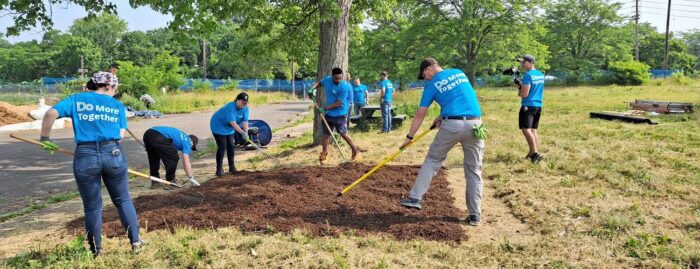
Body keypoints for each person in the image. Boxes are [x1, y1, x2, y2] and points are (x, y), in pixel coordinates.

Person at [38, 71, 143, 255]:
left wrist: (45, 137)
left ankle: (96, 251)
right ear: (108, 86)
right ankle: (136, 242)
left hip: (85, 155)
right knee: (123, 199)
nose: (115, 93)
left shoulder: (76, 99)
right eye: (115, 89)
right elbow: (121, 135)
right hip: (113, 152)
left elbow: (51, 113)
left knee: (92, 206)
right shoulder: (117, 105)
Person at [399, 58, 485, 226]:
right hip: (475, 124)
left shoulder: (431, 86)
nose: (425, 78)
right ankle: (475, 215)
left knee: (433, 160)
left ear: (430, 68)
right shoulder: (459, 73)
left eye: (424, 74)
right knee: (474, 170)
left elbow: (421, 113)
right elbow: (459, 97)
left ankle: (415, 198)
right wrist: (442, 115)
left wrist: (409, 137)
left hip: (452, 126)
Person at [310, 67, 362, 164]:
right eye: (336, 78)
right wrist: (312, 89)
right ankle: (324, 153)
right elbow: (320, 83)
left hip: (340, 113)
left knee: (343, 134)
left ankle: (355, 152)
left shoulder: (344, 87)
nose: (338, 80)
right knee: (325, 135)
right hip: (329, 114)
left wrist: (325, 108)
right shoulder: (327, 80)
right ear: (332, 76)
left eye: (339, 78)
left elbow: (339, 103)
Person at [513, 54, 544, 163]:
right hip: (538, 105)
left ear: (531, 62)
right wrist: (520, 85)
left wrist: (519, 91)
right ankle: (532, 153)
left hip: (527, 105)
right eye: (521, 62)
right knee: (533, 130)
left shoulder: (528, 76)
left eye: (524, 62)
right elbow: (533, 90)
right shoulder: (540, 75)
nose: (522, 64)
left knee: (526, 129)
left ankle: (535, 154)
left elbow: (524, 94)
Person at [210, 92, 250, 176]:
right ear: (238, 100)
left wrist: (246, 132)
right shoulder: (230, 107)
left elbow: (245, 122)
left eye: (246, 103)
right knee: (222, 146)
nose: (244, 105)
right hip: (218, 125)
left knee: (231, 145)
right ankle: (219, 169)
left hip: (229, 127)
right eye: (243, 102)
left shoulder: (245, 109)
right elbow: (233, 123)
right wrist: (242, 132)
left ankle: (232, 167)